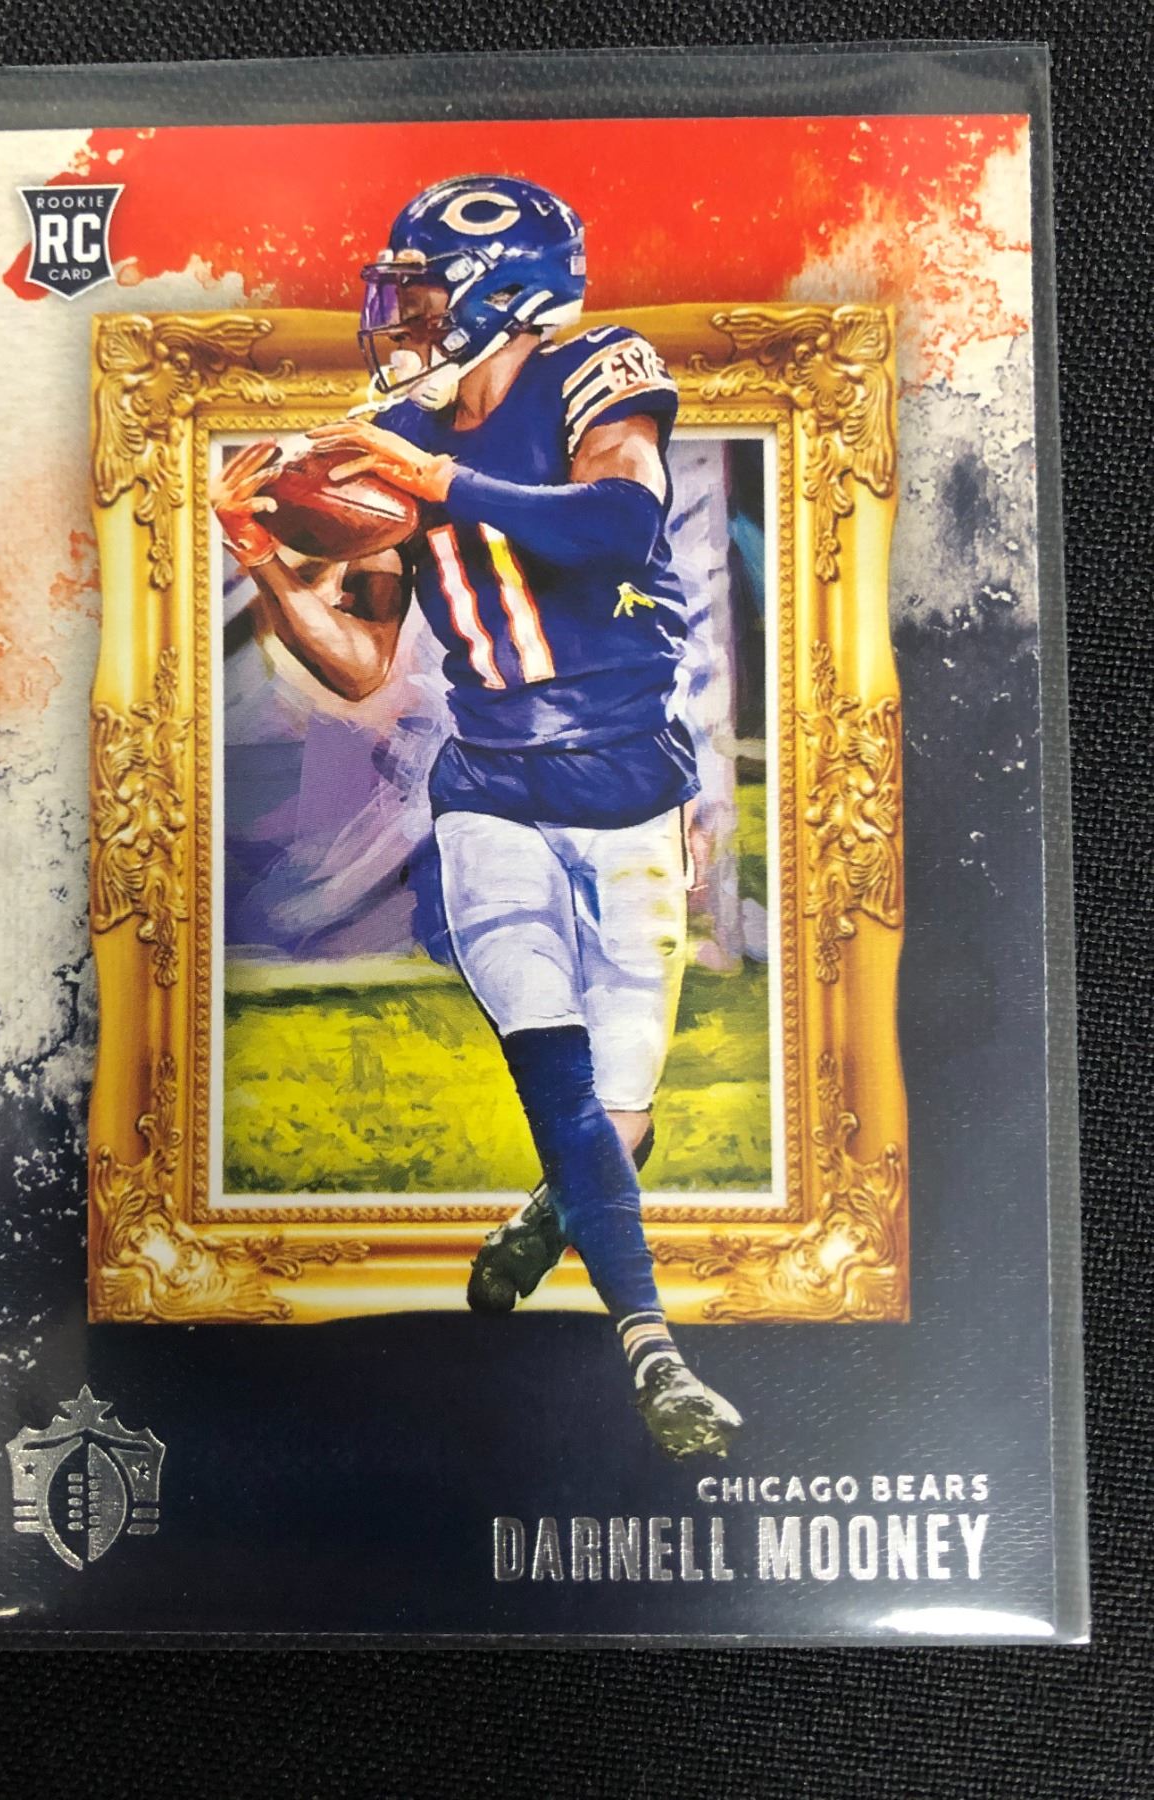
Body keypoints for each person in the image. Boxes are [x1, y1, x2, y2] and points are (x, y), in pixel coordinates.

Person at [213, 174, 741, 1459]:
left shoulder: (598, 372)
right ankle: (656, 1353)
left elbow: (618, 522)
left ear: (502, 292)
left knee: (621, 1106)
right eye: (391, 294)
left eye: (419, 293)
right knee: (555, 1069)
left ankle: (548, 1217)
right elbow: (359, 663)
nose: (394, 319)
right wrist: (265, 562)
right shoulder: (390, 433)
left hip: (630, 785)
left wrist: (443, 478)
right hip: (492, 789)